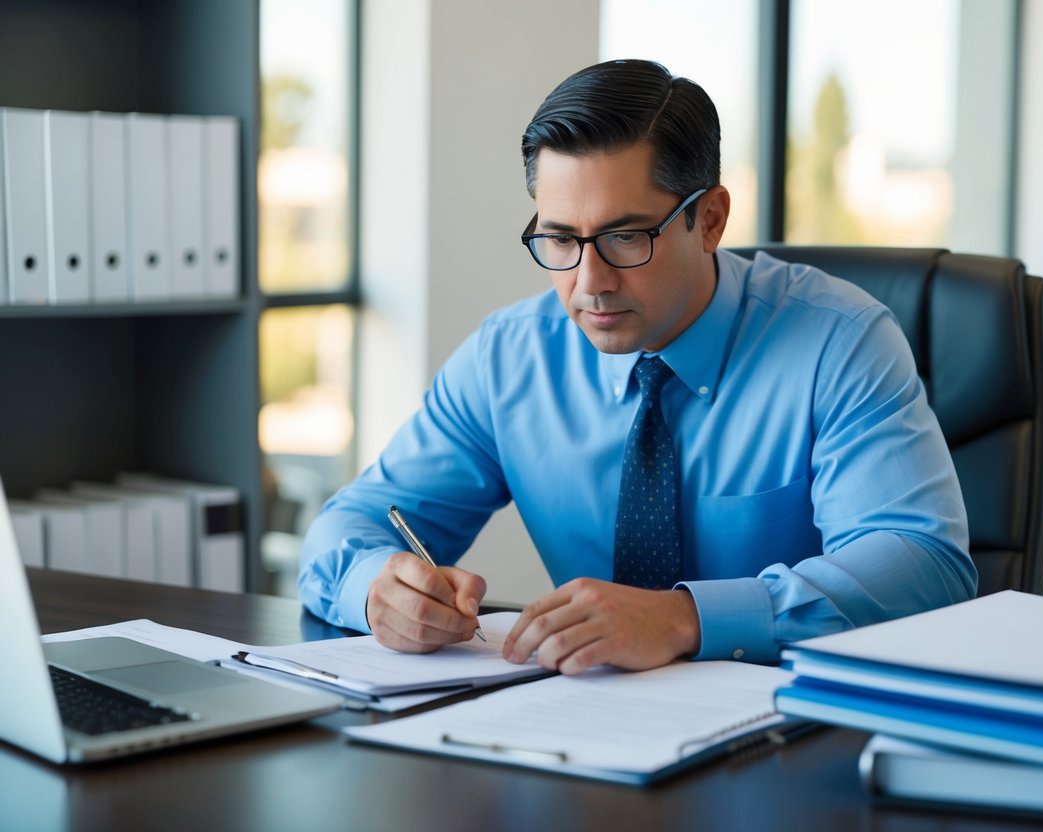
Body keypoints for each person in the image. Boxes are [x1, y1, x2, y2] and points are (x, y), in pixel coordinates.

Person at [298, 59, 975, 675]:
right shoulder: (509, 358)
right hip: (584, 739)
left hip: (794, 734)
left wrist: (685, 617)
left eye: (625, 237)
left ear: (708, 220)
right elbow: (350, 523)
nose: (589, 281)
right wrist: (375, 589)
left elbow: (923, 565)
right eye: (560, 238)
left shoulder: (840, 342)